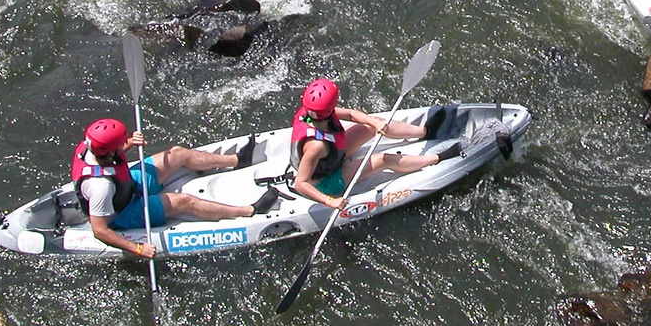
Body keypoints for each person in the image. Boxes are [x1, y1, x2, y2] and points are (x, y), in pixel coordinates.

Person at [72, 118, 279, 258]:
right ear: (110, 149)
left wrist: (129, 144)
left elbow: (111, 156)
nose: (123, 144)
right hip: (123, 213)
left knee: (178, 153)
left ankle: (237, 160)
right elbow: (100, 230)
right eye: (121, 144)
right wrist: (137, 248)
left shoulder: (90, 148)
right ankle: (249, 210)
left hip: (128, 185)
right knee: (184, 201)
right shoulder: (101, 187)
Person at [289, 78, 460, 209]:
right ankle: (437, 158)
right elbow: (300, 183)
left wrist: (375, 123)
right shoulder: (315, 147)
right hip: (325, 181)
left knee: (372, 123)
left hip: (331, 156)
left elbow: (349, 115)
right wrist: (330, 201)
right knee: (383, 159)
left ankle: (425, 132)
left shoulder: (310, 112)